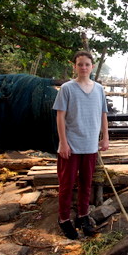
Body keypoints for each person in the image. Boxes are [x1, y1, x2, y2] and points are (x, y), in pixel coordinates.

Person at [52, 51, 109, 239]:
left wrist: (105, 137)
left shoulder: (99, 89)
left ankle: (83, 216)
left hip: (90, 145)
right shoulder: (67, 88)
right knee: (66, 184)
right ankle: (64, 219)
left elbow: (103, 114)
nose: (83, 67)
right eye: (80, 64)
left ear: (92, 67)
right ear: (74, 67)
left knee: (86, 183)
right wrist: (63, 142)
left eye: (87, 64)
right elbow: (60, 116)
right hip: (71, 145)